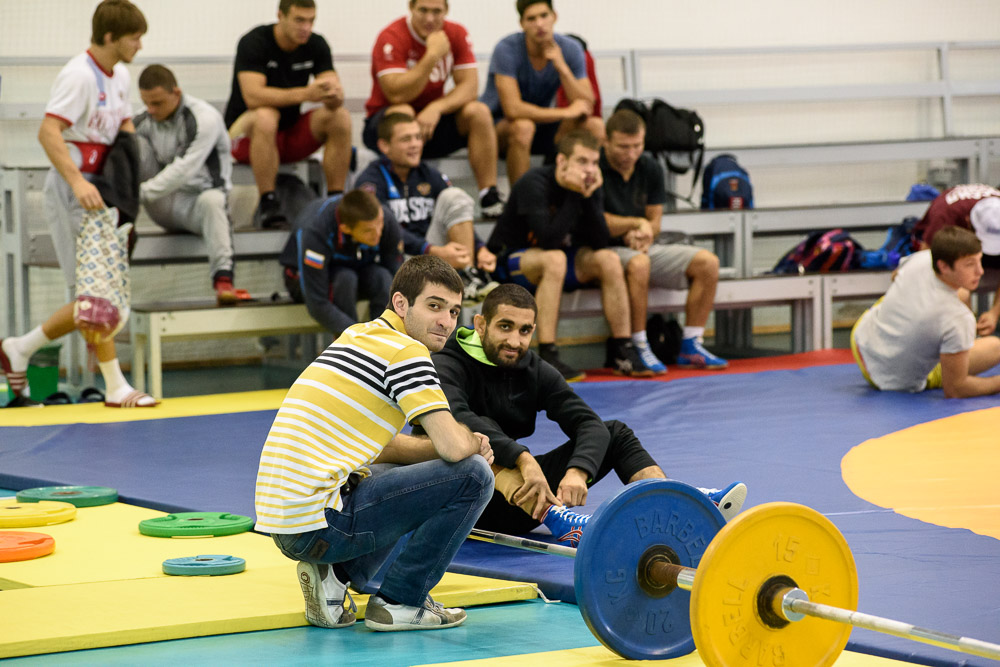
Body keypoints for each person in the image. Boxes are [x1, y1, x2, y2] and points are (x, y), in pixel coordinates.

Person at [254, 255, 495, 631]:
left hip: (288, 525)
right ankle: (402, 600)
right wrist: (474, 443)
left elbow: (382, 448)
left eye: (453, 310)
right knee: (476, 475)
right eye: (434, 306)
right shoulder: (405, 351)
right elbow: (452, 448)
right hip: (319, 525)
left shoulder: (357, 335)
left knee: (400, 468)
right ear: (401, 303)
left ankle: (333, 580)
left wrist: (453, 446)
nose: (446, 321)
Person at [431, 284, 747, 546]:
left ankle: (673, 502)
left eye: (525, 330)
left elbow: (588, 424)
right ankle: (557, 518)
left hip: (520, 501)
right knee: (478, 439)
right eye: (505, 327)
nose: (515, 341)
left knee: (615, 432)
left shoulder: (533, 369)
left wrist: (579, 470)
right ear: (481, 324)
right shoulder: (447, 361)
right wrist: (525, 460)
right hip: (458, 500)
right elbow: (459, 417)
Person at [0, 0, 155, 409]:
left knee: (104, 294)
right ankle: (115, 385)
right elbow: (49, 131)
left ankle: (19, 348)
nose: (139, 45)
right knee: (93, 292)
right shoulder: (78, 75)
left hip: (103, 189)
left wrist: (124, 174)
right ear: (109, 37)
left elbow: (122, 122)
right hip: (76, 188)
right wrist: (76, 180)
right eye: (133, 37)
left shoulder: (119, 74)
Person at [487, 129, 649, 382]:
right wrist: (575, 195)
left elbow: (600, 241)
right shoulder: (534, 182)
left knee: (608, 259)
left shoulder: (591, 184)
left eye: (594, 163)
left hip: (561, 261)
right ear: (562, 161)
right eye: (582, 162)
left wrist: (590, 198)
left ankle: (622, 349)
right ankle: (546, 354)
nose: (590, 170)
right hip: (516, 260)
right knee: (555, 258)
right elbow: (547, 240)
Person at [599, 109, 728, 372]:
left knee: (707, 263)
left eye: (637, 146)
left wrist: (646, 233)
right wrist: (636, 224)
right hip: (604, 248)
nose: (631, 153)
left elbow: (655, 222)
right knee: (638, 263)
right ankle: (637, 344)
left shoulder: (650, 167)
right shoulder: (594, 167)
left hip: (642, 247)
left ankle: (691, 342)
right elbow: (596, 220)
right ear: (606, 141)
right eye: (623, 146)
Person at [363, 0, 504, 219]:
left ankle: (489, 195)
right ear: (411, 8)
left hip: (430, 124)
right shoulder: (392, 36)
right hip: (386, 123)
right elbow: (396, 94)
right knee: (404, 113)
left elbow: (470, 87)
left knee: (479, 112)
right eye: (423, 10)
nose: (429, 19)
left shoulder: (455, 33)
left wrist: (437, 107)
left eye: (436, 11)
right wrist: (431, 56)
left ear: (446, 11)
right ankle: (401, 195)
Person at [224, 0, 352, 229]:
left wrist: (335, 95)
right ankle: (268, 202)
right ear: (280, 17)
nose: (306, 27)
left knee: (339, 117)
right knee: (266, 115)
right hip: (246, 134)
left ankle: (337, 202)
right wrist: (306, 93)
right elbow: (253, 97)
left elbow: (332, 88)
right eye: (299, 20)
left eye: (311, 20)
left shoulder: (316, 44)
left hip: (287, 134)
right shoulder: (254, 42)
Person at [355, 112, 497, 302]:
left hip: (430, 254)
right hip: (394, 258)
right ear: (384, 146)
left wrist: (480, 248)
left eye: (418, 137)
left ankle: (467, 275)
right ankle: (461, 279)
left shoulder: (429, 174)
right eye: (406, 139)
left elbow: (457, 214)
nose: (415, 144)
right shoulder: (370, 181)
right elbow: (384, 231)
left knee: (454, 196)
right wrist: (430, 250)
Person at [134, 64, 242, 306]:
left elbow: (184, 170)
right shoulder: (143, 118)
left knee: (213, 200)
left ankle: (223, 278)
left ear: (177, 93)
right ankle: (119, 227)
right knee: (128, 143)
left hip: (198, 205)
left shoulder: (204, 118)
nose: (150, 110)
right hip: (163, 206)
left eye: (158, 103)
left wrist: (139, 194)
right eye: (146, 103)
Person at [851, 226, 1000, 398]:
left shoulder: (922, 258)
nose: (980, 271)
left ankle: (949, 338)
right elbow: (956, 389)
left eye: (979, 261)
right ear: (943, 266)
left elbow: (895, 276)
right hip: (895, 382)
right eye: (969, 265)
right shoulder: (958, 318)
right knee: (995, 346)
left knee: (961, 294)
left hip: (862, 343)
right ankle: (953, 342)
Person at [480, 0, 605, 186]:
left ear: (554, 17)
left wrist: (562, 67)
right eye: (531, 18)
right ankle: (523, 203)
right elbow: (512, 109)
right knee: (524, 127)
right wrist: (565, 112)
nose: (539, 24)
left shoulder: (570, 48)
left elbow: (587, 102)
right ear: (522, 24)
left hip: (542, 124)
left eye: (544, 16)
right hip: (501, 128)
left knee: (595, 126)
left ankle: (579, 195)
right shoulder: (506, 49)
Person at [280, 189, 403, 335]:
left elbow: (398, 282)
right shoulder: (315, 231)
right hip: (305, 280)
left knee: (383, 278)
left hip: (355, 269)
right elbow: (317, 304)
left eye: (380, 224)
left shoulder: (384, 219)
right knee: (345, 279)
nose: (378, 233)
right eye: (368, 231)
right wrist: (359, 336)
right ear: (345, 228)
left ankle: (385, 338)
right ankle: (350, 351)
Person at [910, 184, 1000, 336]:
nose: (980, 272)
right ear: (968, 222)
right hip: (946, 236)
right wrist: (965, 320)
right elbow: (923, 263)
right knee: (960, 294)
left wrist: (994, 314)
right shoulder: (945, 217)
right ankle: (961, 335)